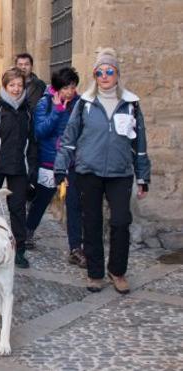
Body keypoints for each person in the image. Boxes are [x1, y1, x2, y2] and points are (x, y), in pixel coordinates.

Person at [54, 48, 150, 294]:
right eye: (100, 72)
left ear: (117, 74)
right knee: (92, 222)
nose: (105, 76)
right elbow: (70, 137)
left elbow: (139, 144)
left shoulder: (131, 104)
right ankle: (95, 273)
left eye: (110, 71)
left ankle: (117, 271)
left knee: (120, 221)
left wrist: (143, 176)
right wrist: (61, 167)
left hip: (119, 173)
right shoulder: (85, 103)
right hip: (89, 171)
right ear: (95, 76)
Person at [25, 67, 84, 268]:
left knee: (74, 204)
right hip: (49, 161)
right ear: (58, 88)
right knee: (42, 199)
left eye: (73, 87)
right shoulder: (45, 103)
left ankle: (75, 248)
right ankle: (28, 231)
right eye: (67, 87)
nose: (70, 91)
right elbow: (40, 132)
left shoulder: (80, 103)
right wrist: (58, 111)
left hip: (71, 162)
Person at [0, 67, 38, 269]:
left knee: (17, 209)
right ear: (5, 86)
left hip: (18, 167)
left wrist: (32, 168)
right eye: (12, 85)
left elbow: (32, 141)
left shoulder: (28, 112)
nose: (16, 89)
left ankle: (19, 249)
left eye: (19, 85)